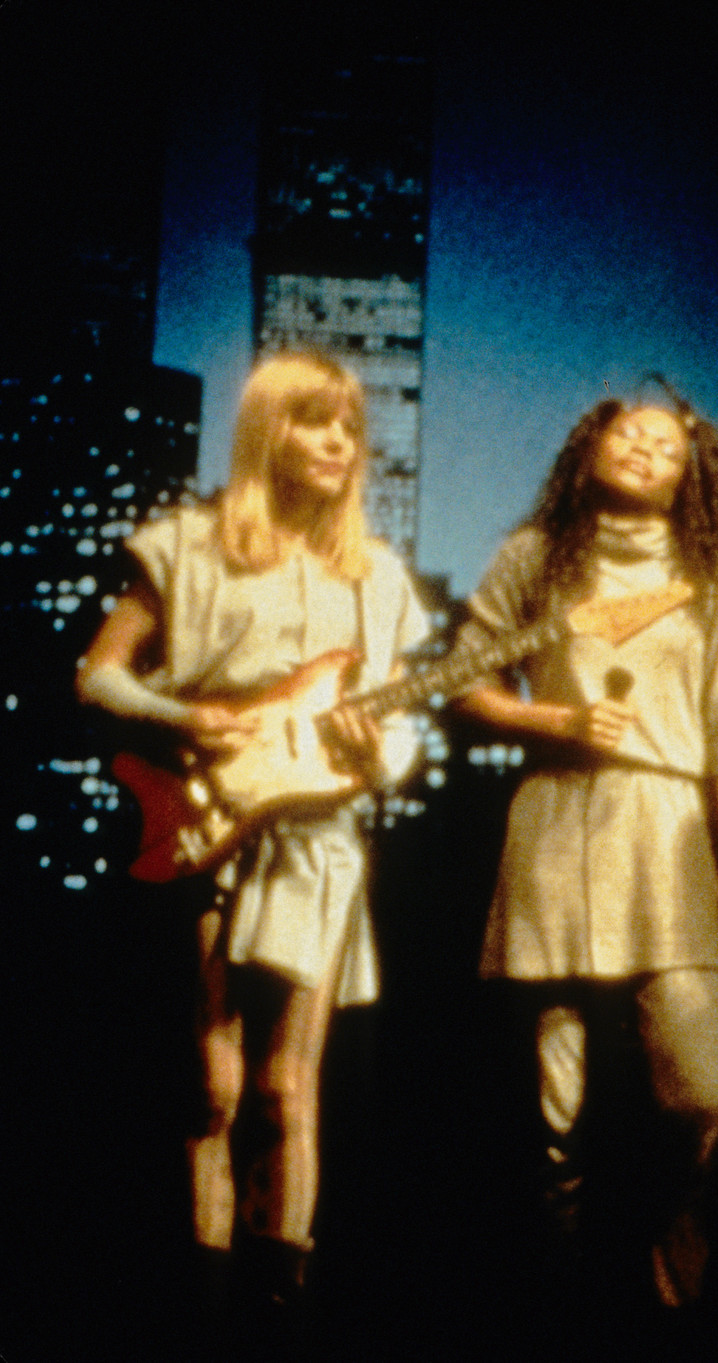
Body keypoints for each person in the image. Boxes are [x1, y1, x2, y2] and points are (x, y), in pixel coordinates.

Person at [76, 352, 428, 1313]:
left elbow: (391, 731)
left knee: (288, 1090)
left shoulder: (378, 578)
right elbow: (97, 673)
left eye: (350, 428)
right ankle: (202, 1291)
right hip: (202, 819)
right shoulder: (190, 545)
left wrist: (371, 752)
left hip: (317, 839)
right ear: (266, 430)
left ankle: (279, 1300)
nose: (337, 443)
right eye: (315, 421)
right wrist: (188, 720)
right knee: (211, 1089)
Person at [454, 385, 718, 1315]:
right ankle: (565, 1290)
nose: (641, 447)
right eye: (625, 431)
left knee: (695, 1096)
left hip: (669, 834)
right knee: (557, 1118)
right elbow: (467, 677)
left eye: (667, 445)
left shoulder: (711, 576)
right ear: (588, 448)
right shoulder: (536, 555)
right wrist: (553, 716)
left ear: (692, 478)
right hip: (554, 822)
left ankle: (670, 1271)